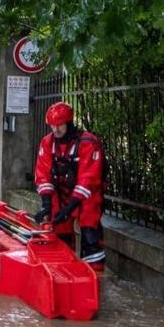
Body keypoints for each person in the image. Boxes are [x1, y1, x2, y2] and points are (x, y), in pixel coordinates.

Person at [33, 101, 106, 271]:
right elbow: (43, 174)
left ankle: (94, 273)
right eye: (52, 126)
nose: (55, 130)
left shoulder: (88, 142)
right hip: (61, 191)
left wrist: (70, 207)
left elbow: (89, 179)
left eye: (59, 125)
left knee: (89, 227)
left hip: (87, 194)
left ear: (69, 123)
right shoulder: (47, 142)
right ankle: (65, 267)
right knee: (58, 229)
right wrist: (46, 205)